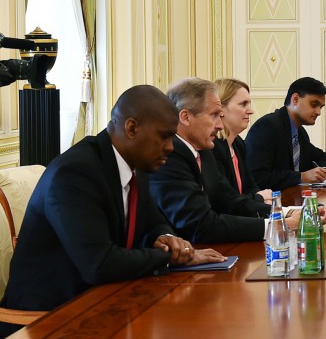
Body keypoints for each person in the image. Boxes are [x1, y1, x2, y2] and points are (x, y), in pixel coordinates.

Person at [1, 85, 225, 316]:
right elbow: (99, 264)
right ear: (132, 128)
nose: (170, 147)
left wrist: (166, 238)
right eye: (164, 136)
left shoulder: (137, 165)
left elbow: (153, 223)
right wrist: (170, 257)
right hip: (49, 315)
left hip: (105, 299)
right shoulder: (76, 173)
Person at [149, 77, 300, 243]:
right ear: (186, 117)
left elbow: (229, 201)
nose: (220, 125)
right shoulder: (170, 155)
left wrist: (285, 213)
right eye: (214, 115)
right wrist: (276, 225)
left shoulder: (203, 149)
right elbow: (200, 226)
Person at [245, 76, 326, 191]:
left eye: (321, 107)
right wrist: (301, 177)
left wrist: (324, 171)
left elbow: (321, 157)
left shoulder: (300, 132)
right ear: (295, 99)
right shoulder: (267, 126)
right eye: (314, 104)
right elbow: (257, 177)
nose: (318, 112)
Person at [211, 78, 271, 204]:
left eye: (249, 104)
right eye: (243, 104)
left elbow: (251, 187)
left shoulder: (238, 143)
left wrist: (264, 201)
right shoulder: (213, 146)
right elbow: (227, 200)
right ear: (221, 109)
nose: (250, 111)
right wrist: (260, 199)